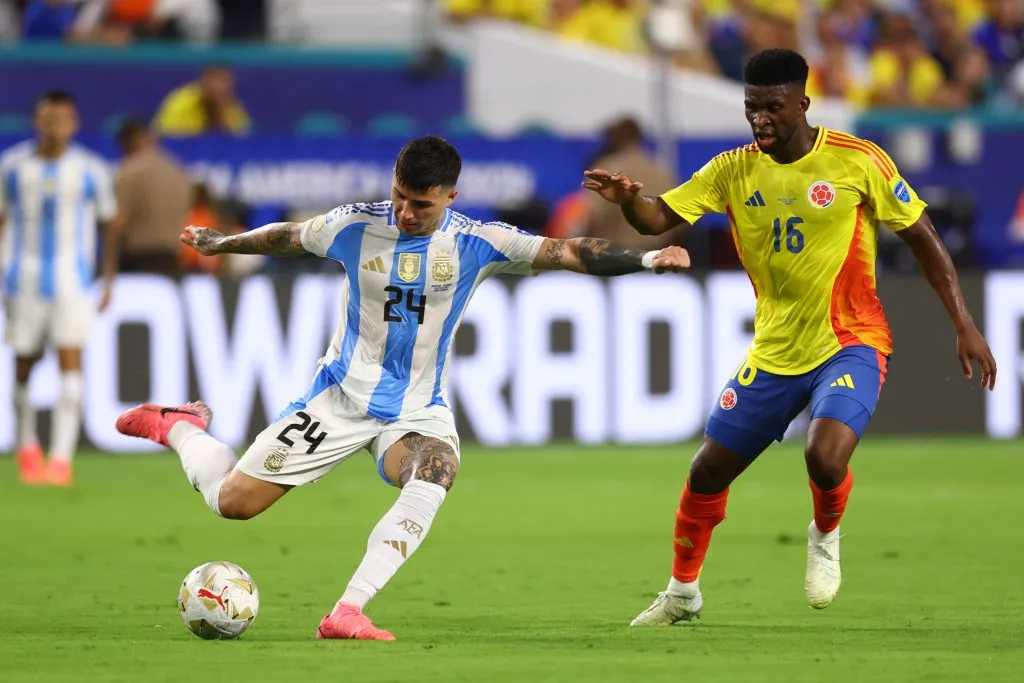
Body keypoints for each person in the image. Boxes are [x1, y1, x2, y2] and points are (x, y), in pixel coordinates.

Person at [114, 135, 691, 640]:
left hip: (416, 409)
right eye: (399, 197)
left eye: (420, 203)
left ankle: (346, 612)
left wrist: (646, 258)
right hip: (339, 399)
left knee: (435, 469)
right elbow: (290, 237)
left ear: (450, 198)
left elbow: (568, 251)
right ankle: (180, 426)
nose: (405, 212)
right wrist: (224, 242)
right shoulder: (354, 225)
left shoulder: (477, 241)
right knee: (232, 504)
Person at [582, 48, 998, 625]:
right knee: (706, 471)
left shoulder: (858, 161)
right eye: (751, 108)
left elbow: (924, 238)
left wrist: (965, 323)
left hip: (851, 340)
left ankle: (825, 535)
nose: (761, 120)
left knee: (824, 457)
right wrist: (631, 200)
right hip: (776, 351)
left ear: (803, 103)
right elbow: (658, 219)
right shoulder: (733, 168)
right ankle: (682, 593)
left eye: (773, 107)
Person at [0, 89, 121, 486]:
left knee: (71, 365)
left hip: (73, 281)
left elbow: (109, 223)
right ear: (37, 122)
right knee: (24, 366)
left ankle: (62, 459)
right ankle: (28, 445)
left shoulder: (89, 169)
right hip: (23, 281)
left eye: (62, 119)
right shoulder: (12, 167)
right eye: (47, 119)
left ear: (74, 123)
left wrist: (108, 278)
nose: (55, 127)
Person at [114, 118, 193, 277]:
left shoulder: (130, 171)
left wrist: (109, 264)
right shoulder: (180, 172)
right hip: (173, 263)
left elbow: (118, 223)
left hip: (137, 264)